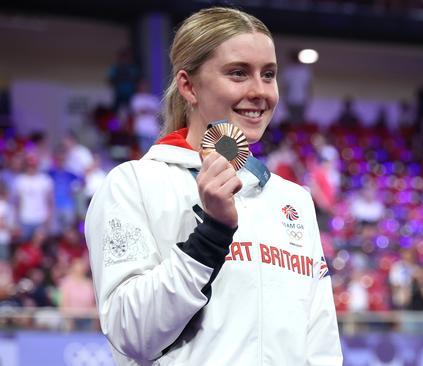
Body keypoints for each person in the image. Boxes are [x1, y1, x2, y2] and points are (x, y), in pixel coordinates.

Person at [85, 7, 342, 366]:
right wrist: (212, 234)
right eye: (238, 73)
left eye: (268, 75)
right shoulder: (133, 184)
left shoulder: (293, 200)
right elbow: (132, 334)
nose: (259, 91)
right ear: (188, 85)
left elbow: (321, 345)